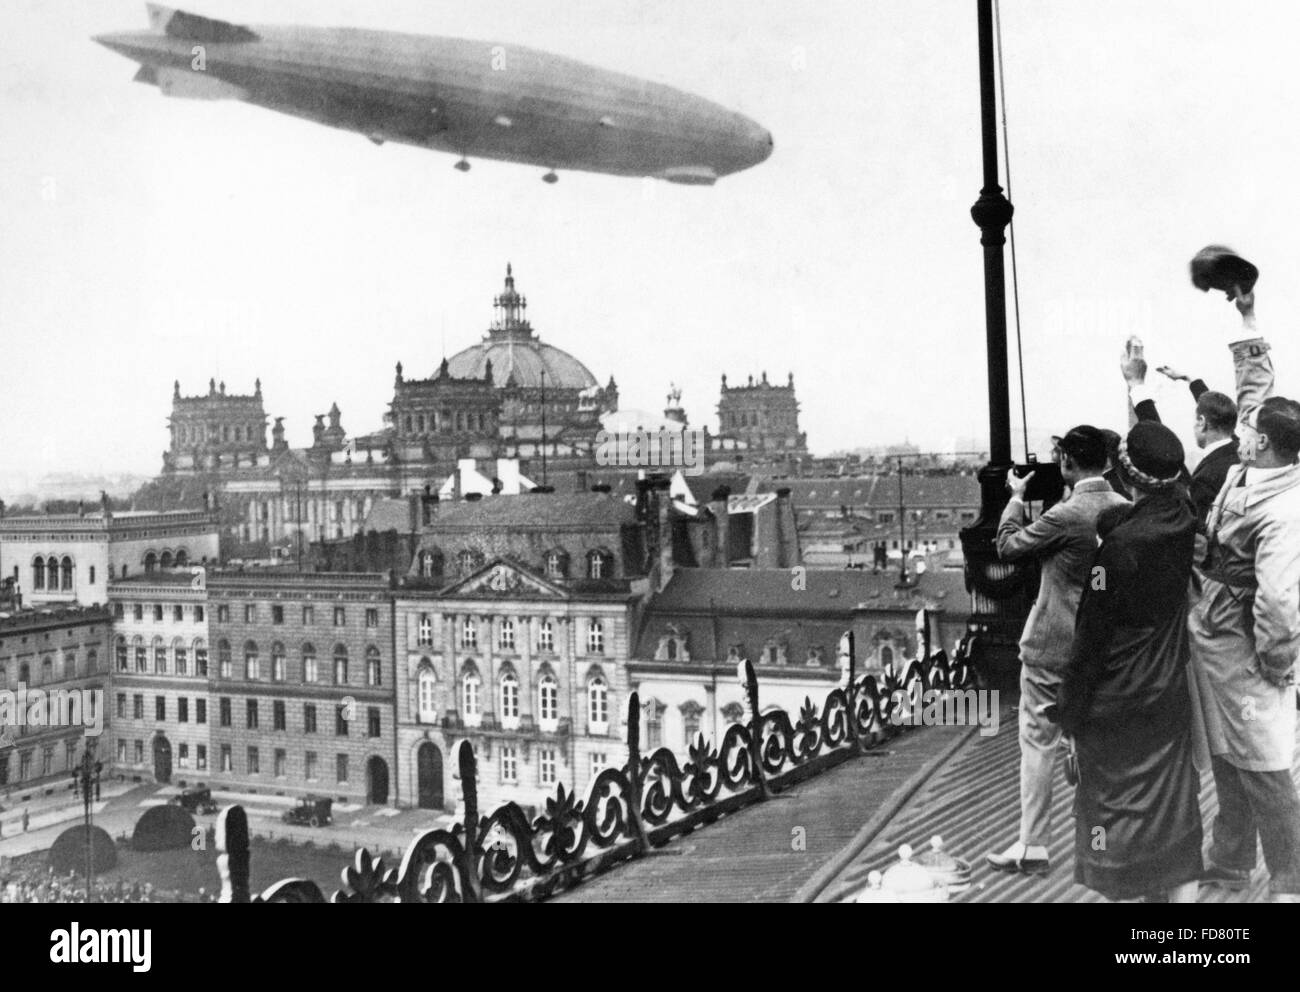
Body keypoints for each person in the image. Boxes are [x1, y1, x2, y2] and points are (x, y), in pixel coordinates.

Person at [1055, 421, 1203, 901]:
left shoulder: (1114, 553)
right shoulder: (1185, 521)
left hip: (1115, 704)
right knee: (1174, 814)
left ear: (1127, 474)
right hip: (1166, 696)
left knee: (1113, 824)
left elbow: (1089, 644)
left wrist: (1069, 720)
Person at [1190, 288, 1300, 903]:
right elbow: (1255, 380)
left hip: (1247, 648)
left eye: (1248, 428)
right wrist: (1248, 311)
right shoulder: (1260, 457)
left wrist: (1277, 669)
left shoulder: (1285, 510)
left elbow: (1281, 605)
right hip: (1216, 633)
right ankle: (1230, 860)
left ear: (1259, 443)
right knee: (1232, 754)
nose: (1242, 427)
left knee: (1264, 763)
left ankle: (1289, 881)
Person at [986, 426, 1129, 875]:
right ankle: (1111, 839)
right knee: (1100, 741)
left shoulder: (1067, 515)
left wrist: (1014, 497)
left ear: (1067, 462)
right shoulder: (1125, 508)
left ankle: (1033, 845)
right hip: (1105, 646)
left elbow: (1008, 546)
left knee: (1039, 742)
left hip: (1052, 647)